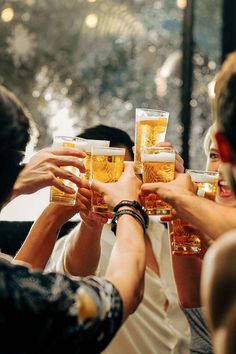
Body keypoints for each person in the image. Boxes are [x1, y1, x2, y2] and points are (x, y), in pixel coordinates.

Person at [0, 84, 147, 353]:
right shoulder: (17, 298)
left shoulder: (12, 291)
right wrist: (129, 206)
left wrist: (53, 209)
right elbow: (121, 295)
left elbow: (20, 271)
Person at [42, 126, 191, 354]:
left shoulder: (163, 230)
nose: (120, 184)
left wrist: (183, 198)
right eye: (109, 172)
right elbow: (76, 275)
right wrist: (91, 224)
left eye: (127, 172)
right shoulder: (86, 237)